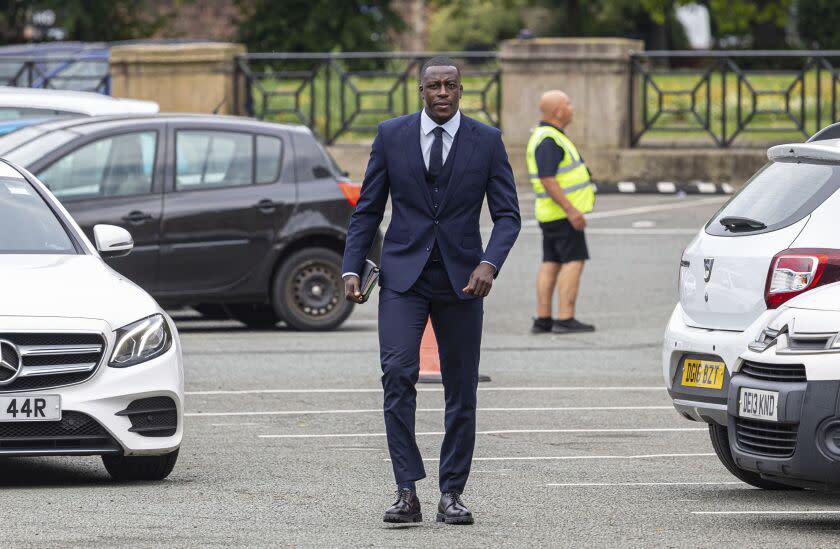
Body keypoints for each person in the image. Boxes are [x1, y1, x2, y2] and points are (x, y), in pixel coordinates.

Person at [342, 56, 520, 525]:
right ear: (421, 91)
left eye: (450, 85)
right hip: (403, 278)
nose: (442, 92)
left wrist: (490, 263)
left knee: (461, 391)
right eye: (433, 85)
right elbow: (367, 211)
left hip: (464, 282)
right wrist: (351, 268)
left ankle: (452, 493)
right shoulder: (391, 135)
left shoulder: (487, 141)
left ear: (462, 91)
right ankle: (406, 490)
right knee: (397, 375)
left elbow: (508, 216)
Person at [528, 90, 595, 334]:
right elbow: (548, 178)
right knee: (572, 262)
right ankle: (565, 318)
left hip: (550, 213)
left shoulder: (546, 135)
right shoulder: (549, 139)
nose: (572, 107)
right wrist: (571, 211)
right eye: (568, 103)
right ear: (558, 111)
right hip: (562, 214)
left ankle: (543, 319)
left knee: (551, 262)